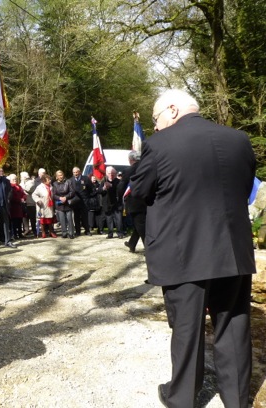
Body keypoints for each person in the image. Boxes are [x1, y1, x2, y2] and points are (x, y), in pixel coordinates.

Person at [131, 89, 256, 408]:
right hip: (232, 251)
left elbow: (139, 194)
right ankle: (237, 400)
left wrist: (151, 235)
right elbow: (243, 190)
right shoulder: (239, 140)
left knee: (187, 330)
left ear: (172, 110)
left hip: (182, 253)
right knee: (233, 328)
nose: (155, 127)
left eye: (156, 119)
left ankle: (183, 399)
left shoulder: (158, 144)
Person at [117, 151, 146, 253]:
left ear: (131, 160)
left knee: (140, 225)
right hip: (147, 199)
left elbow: (121, 186)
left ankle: (149, 249)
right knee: (139, 223)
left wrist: (119, 196)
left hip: (135, 201)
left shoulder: (128, 170)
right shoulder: (146, 167)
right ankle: (132, 243)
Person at [101, 166, 123, 239]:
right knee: (109, 220)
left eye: (113, 173)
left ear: (115, 173)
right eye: (110, 173)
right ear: (107, 173)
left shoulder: (118, 181)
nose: (111, 175)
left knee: (118, 220)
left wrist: (111, 185)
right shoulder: (104, 181)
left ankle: (119, 233)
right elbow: (99, 191)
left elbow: (120, 190)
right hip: (107, 204)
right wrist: (104, 188)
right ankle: (110, 234)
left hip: (116, 204)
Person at [52, 170, 76, 239]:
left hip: (68, 203)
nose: (60, 176)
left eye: (61, 175)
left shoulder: (68, 182)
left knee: (69, 219)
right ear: (56, 177)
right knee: (62, 219)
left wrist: (66, 197)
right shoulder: (54, 184)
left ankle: (71, 233)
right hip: (59, 204)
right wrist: (60, 198)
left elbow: (72, 191)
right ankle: (64, 233)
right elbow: (53, 195)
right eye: (59, 175)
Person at [32, 174, 57, 238]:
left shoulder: (51, 186)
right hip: (42, 205)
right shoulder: (39, 187)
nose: (50, 180)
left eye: (50, 179)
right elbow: (34, 195)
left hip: (50, 205)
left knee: (50, 219)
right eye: (48, 180)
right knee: (43, 219)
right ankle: (43, 232)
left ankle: (51, 232)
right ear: (44, 181)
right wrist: (38, 200)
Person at [71, 167, 92, 236]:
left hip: (84, 201)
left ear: (79, 172)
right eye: (74, 172)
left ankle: (87, 230)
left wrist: (87, 197)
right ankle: (77, 231)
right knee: (76, 217)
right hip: (76, 202)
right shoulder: (71, 180)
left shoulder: (86, 179)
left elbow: (90, 189)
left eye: (76, 172)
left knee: (85, 217)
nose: (75, 174)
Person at [8, 174, 26, 239]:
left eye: (15, 179)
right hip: (13, 207)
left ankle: (20, 233)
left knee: (20, 221)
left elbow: (23, 194)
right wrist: (19, 200)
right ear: (10, 180)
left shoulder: (19, 186)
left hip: (19, 207)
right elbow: (11, 197)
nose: (15, 180)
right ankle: (14, 234)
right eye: (13, 179)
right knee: (14, 222)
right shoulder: (10, 187)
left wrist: (23, 198)